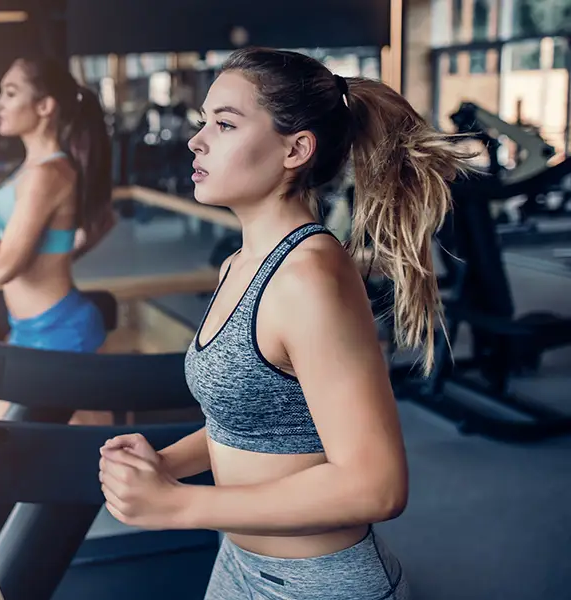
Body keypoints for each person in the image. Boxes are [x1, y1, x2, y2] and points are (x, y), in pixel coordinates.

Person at [98, 47, 473, 599]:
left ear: (296, 149)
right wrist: (166, 462)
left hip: (319, 584)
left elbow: (378, 485)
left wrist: (181, 504)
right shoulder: (239, 265)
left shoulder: (308, 277)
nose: (196, 140)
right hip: (239, 564)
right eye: (204, 122)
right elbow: (254, 421)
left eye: (224, 123)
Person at [0, 56, 116, 422]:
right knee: (4, 443)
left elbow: (1, 268)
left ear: (44, 106)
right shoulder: (29, 171)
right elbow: (89, 230)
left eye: (10, 93)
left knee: (81, 463)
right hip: (24, 329)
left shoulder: (50, 173)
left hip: (64, 336)